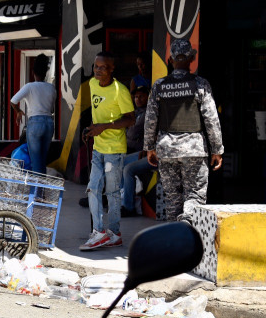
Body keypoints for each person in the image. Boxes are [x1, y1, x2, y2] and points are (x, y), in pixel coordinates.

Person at [143, 39, 224, 224]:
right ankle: (189, 225)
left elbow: (150, 119)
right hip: (194, 150)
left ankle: (175, 241)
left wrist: (149, 147)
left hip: (166, 150)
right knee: (194, 196)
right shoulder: (200, 84)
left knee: (172, 199)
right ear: (191, 59)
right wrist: (217, 149)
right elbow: (211, 119)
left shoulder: (159, 85)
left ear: (170, 60)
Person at [80, 51, 135, 251]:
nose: (98, 70)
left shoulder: (120, 90)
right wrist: (91, 129)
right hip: (97, 148)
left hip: (114, 150)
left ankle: (114, 234)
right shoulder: (92, 84)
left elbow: (131, 118)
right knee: (93, 187)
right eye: (96, 66)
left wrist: (105, 126)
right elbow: (96, 112)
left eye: (103, 68)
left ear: (112, 70)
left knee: (112, 192)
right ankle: (99, 232)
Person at [10, 54, 57, 175]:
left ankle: (36, 193)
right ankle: (40, 191)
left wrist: (19, 112)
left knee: (36, 161)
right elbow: (51, 109)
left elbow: (13, 101)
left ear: (33, 72)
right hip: (49, 124)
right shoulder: (52, 88)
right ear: (46, 73)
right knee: (42, 160)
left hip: (35, 123)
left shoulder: (29, 86)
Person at [121, 86, 154, 217]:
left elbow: (133, 131)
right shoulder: (136, 112)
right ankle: (119, 200)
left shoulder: (148, 113)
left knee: (128, 169)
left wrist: (128, 127)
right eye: (136, 97)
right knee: (118, 162)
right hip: (137, 149)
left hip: (148, 152)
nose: (138, 99)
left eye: (141, 96)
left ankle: (128, 207)